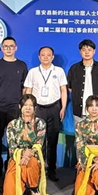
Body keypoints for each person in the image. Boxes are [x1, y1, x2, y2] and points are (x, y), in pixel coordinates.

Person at [0, 37, 28, 180]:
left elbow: (25, 88)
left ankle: (11, 167)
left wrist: (23, 105)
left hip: (14, 107)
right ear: (2, 48)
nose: (8, 49)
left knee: (13, 140)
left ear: (16, 48)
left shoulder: (22, 65)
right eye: (6, 46)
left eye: (11, 46)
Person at [23, 46, 67, 181]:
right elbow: (28, 90)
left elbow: (63, 90)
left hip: (54, 107)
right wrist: (28, 109)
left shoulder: (59, 71)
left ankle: (52, 169)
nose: (46, 57)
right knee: (38, 141)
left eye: (48, 55)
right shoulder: (33, 72)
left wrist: (63, 108)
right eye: (43, 55)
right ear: (39, 57)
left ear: (52, 57)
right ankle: (39, 168)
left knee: (52, 140)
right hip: (38, 109)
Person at [3, 94, 53, 195]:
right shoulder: (12, 124)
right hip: (17, 159)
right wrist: (22, 154)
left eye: (31, 105)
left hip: (32, 157)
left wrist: (27, 155)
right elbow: (12, 148)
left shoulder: (40, 123)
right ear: (20, 107)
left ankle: (33, 187)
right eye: (25, 105)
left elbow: (38, 145)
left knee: (33, 162)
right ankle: (23, 185)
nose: (28, 108)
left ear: (35, 108)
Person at [67, 39, 98, 122]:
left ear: (94, 51)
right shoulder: (74, 68)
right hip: (80, 111)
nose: (87, 52)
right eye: (84, 50)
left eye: (89, 50)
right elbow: (70, 88)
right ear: (80, 52)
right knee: (80, 130)